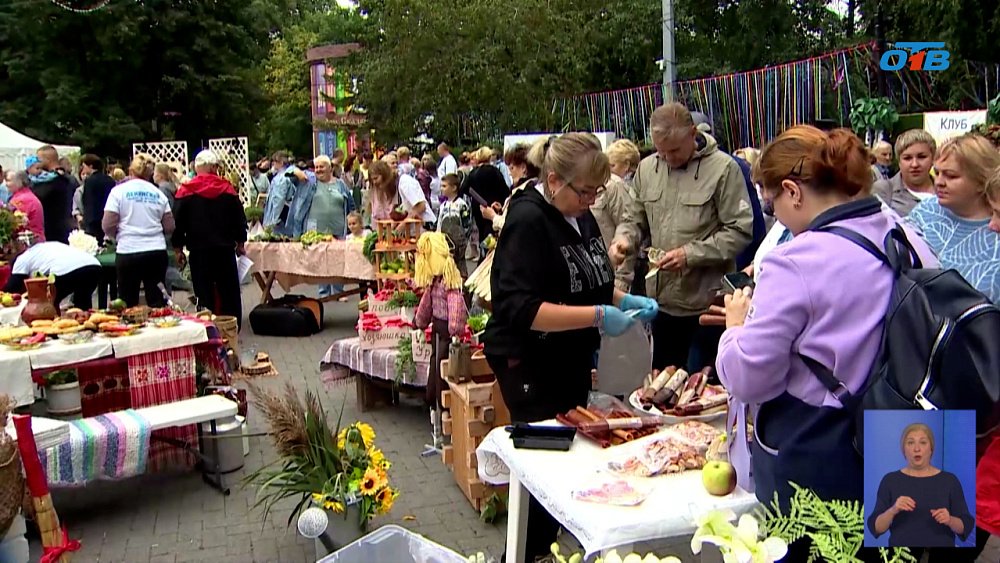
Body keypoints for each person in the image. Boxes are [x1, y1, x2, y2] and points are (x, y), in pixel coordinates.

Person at [715, 126, 937, 562]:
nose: (776, 216)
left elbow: (750, 379)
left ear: (793, 192)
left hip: (827, 446)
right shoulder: (907, 234)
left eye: (773, 202)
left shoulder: (795, 260)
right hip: (915, 433)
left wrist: (735, 327)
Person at [482, 133, 659, 561]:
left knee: (569, 467)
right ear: (556, 180)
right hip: (531, 361)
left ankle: (552, 550)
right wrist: (598, 316)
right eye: (585, 192)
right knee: (546, 478)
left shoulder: (580, 215)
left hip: (569, 360)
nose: (591, 200)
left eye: (598, 193)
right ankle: (527, 554)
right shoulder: (528, 221)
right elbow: (524, 309)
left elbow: (587, 281)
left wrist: (620, 299)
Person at [608, 102, 754, 371]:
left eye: (674, 150)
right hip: (661, 306)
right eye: (660, 151)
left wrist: (691, 255)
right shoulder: (647, 168)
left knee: (703, 392)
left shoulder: (723, 169)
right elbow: (633, 219)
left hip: (707, 306)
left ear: (692, 133)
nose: (667, 158)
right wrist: (624, 241)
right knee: (661, 391)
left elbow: (740, 230)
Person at [906, 133, 1000, 303]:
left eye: (951, 176)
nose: (939, 182)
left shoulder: (996, 228)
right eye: (937, 173)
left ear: (981, 181)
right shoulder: (925, 211)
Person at [868, 424, 975, 549]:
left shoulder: (950, 481)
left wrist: (949, 520)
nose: (917, 448)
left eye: (923, 443)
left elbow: (964, 526)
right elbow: (876, 528)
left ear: (931, 449)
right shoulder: (890, 480)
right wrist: (893, 510)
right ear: (904, 450)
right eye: (910, 443)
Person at [172, 150, 247, 322]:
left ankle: (205, 322)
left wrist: (178, 248)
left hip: (198, 250)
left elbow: (178, 223)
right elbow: (239, 219)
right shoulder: (227, 189)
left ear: (197, 168)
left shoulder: (185, 191)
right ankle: (231, 324)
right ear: (213, 167)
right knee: (228, 290)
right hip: (224, 249)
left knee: (202, 289)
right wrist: (240, 242)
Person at [103, 155, 173, 307]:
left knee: (127, 302)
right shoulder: (158, 193)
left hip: (128, 250)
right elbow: (169, 226)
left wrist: (117, 235)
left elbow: (108, 224)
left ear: (130, 171)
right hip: (155, 250)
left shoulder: (118, 192)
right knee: (157, 301)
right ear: (150, 173)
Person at [3, 240, 101, 310]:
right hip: (94, 265)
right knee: (83, 304)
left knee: (48, 304)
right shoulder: (45, 247)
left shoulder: (21, 259)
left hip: (65, 270)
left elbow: (13, 287)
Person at [873, 129, 936, 217]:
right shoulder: (884, 190)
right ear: (899, 162)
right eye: (907, 158)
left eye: (922, 157)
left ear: (933, 159)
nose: (915, 164)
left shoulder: (946, 190)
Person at [461, 146, 511, 257]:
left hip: (478, 207)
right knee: (493, 233)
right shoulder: (495, 172)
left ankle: (483, 253)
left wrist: (476, 197)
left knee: (482, 233)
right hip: (494, 207)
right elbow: (505, 190)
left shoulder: (473, 173)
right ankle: (489, 255)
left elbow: (464, 188)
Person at [367, 160, 436, 227]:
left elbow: (421, 206)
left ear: (385, 175)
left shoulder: (405, 182)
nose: (374, 182)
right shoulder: (392, 189)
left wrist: (401, 226)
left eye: (376, 178)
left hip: (426, 228)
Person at [29, 147, 75, 243]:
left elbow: (38, 196)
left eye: (39, 160)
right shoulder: (68, 178)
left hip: (53, 229)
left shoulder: (53, 181)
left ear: (47, 160)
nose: (36, 163)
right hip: (65, 226)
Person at [436, 173, 471, 279]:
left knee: (459, 268)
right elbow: (439, 223)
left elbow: (467, 224)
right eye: (441, 186)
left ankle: (463, 289)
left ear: (454, 187)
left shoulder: (462, 205)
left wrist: (463, 240)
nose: (441, 188)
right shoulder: (443, 206)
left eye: (444, 186)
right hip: (444, 242)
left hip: (458, 243)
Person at [80, 154, 115, 244]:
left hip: (93, 220)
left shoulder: (89, 181)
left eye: (84, 166)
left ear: (90, 166)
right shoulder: (110, 180)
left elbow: (87, 201)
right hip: (108, 216)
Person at [6, 170, 45, 242]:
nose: (6, 184)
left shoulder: (22, 199)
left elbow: (14, 224)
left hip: (30, 243)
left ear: (19, 182)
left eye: (9, 180)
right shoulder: (25, 195)